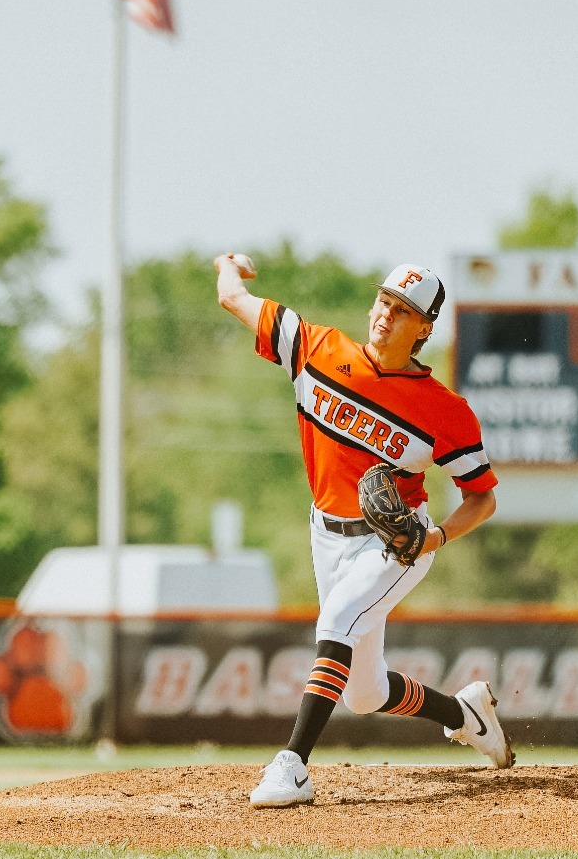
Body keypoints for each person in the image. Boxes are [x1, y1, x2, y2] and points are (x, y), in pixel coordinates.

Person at [214, 252, 512, 808]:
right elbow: (232, 298)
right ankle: (464, 714)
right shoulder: (317, 349)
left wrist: (436, 538)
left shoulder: (444, 410)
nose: (385, 315)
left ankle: (292, 766)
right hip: (325, 535)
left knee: (335, 620)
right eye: (383, 300)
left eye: (402, 311)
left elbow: (482, 497)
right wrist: (228, 264)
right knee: (365, 693)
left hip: (396, 542)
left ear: (424, 328)